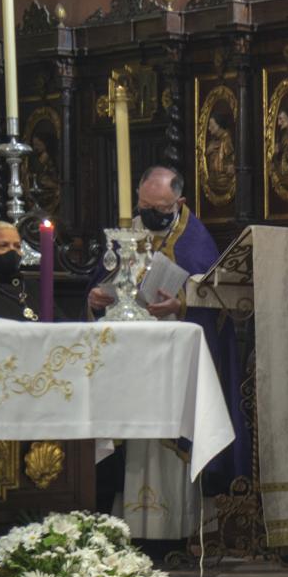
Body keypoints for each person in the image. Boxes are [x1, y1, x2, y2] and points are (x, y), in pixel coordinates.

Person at [88, 166, 246, 544]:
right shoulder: (129, 233)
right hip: (129, 360)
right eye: (143, 206)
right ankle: (127, 527)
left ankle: (178, 528)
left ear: (180, 202)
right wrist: (95, 298)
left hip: (173, 359)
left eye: (158, 207)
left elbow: (217, 301)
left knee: (170, 435)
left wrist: (182, 304)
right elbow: (103, 277)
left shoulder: (196, 239)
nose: (149, 214)